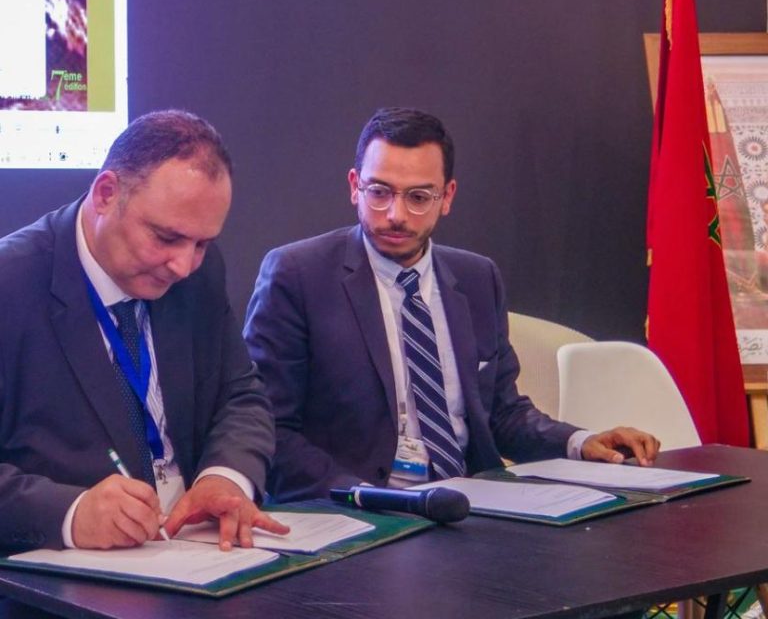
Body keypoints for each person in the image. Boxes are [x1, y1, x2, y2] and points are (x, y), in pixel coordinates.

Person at [244, 107, 660, 501]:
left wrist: (580, 442)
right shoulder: (298, 275)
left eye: (418, 197)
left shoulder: (478, 278)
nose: (396, 214)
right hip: (361, 510)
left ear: (447, 196)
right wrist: (366, 497)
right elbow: (269, 428)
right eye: (379, 192)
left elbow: (502, 414)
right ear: (355, 186)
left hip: (470, 504)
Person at [0, 110, 288, 551]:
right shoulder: (11, 284)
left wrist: (224, 478)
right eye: (166, 238)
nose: (184, 265)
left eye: (202, 243)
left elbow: (240, 396)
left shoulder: (199, 272)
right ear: (106, 194)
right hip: (67, 571)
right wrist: (70, 513)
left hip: (198, 551)